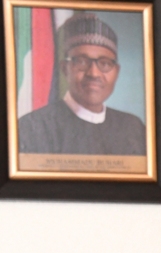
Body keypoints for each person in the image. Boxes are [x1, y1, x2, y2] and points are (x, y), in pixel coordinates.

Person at [18, 12, 146, 156]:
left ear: (116, 72)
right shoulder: (32, 127)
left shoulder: (133, 128)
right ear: (65, 68)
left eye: (104, 63)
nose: (94, 73)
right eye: (82, 61)